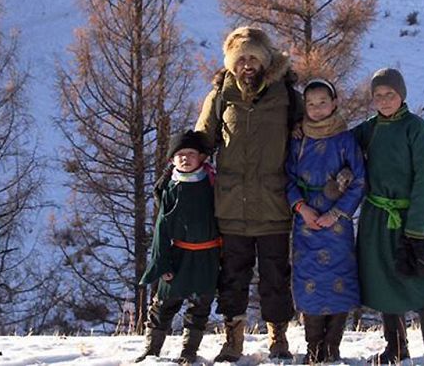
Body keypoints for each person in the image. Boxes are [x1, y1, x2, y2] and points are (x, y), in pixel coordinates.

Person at [194, 26, 302, 362]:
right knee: (232, 277)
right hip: (232, 206)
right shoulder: (220, 94)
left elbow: (305, 139)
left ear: (266, 59)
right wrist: (180, 164)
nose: (247, 65)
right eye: (240, 59)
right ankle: (233, 341)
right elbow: (202, 141)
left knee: (275, 276)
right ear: (231, 63)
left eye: (253, 57)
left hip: (273, 204)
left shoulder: (287, 94)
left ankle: (278, 338)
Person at [353, 68, 424, 366]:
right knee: (383, 280)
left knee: (420, 282)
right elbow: (339, 145)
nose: (384, 101)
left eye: (390, 95)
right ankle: (396, 348)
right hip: (376, 219)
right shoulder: (368, 130)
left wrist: (415, 229)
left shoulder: (416, 129)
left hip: (411, 218)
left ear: (402, 96)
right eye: (378, 96)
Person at [286, 78, 366, 363]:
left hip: (337, 224)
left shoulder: (345, 140)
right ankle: (313, 347)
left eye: (323, 102)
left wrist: (335, 213)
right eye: (311, 104)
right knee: (309, 280)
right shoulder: (298, 140)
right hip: (306, 222)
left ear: (334, 103)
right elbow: (288, 178)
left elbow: (358, 181)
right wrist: (301, 208)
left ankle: (332, 346)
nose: (317, 109)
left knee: (339, 280)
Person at [136, 130, 220, 364]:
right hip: (179, 255)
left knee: (200, 306)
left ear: (201, 157)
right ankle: (152, 351)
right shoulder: (170, 188)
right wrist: (162, 263)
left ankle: (189, 352)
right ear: (172, 159)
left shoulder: (213, 183)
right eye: (179, 154)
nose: (185, 158)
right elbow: (162, 230)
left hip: (208, 255)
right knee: (163, 303)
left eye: (191, 153)